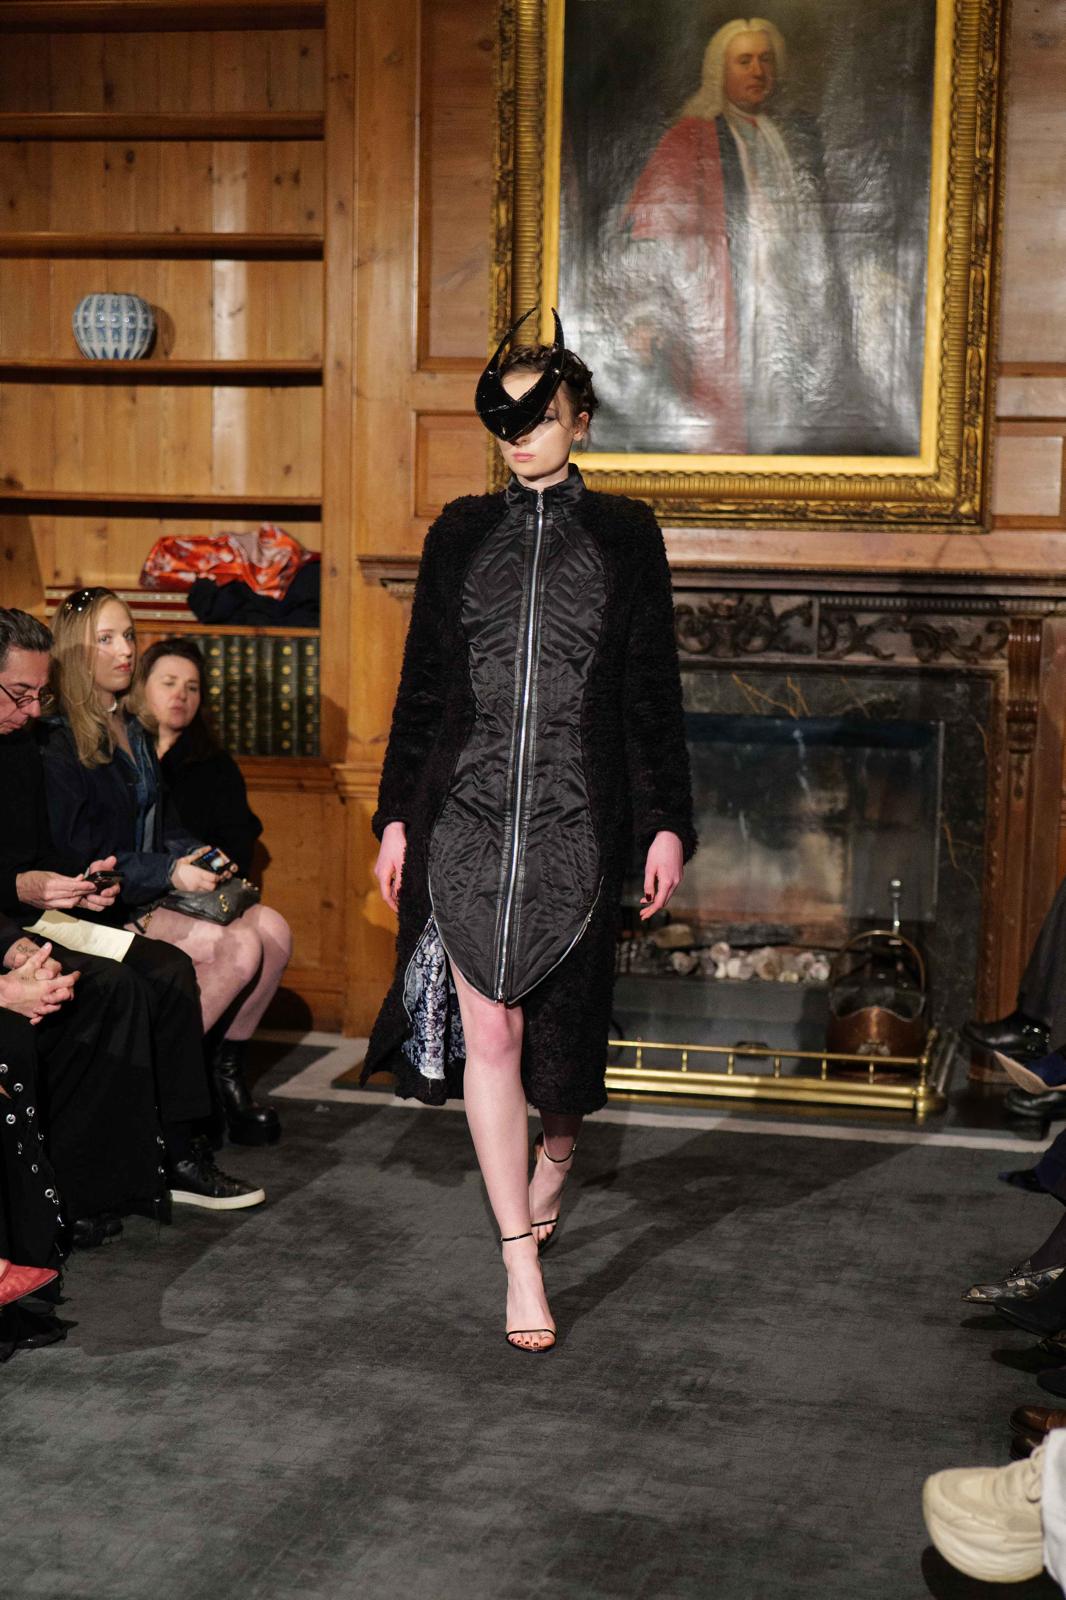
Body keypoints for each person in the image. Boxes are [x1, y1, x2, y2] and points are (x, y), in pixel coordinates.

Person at [362, 308, 696, 1351]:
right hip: (462, 817)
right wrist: (395, 817)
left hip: (575, 817)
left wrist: (666, 824)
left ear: (580, 421)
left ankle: (559, 1151)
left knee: (561, 1044)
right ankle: (517, 1260)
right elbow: (423, 691)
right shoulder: (459, 533)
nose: (518, 435)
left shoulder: (627, 535)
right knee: (493, 1034)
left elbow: (651, 693)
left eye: (538, 416)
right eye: (503, 418)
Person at [0, 605, 263, 1213]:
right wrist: (30, 896)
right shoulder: (54, 739)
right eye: (20, 694)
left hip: (48, 907)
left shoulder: (40, 740)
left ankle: (177, 1149)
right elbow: (40, 861)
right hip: (25, 915)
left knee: (171, 968)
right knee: (126, 982)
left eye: (39, 695)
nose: (32, 709)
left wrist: (82, 882)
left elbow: (54, 853)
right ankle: (101, 1172)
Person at [41, 590, 289, 1149]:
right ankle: (156, 1096)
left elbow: (162, 823)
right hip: (99, 905)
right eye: (106, 639)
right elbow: (82, 856)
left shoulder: (131, 725)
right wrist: (169, 872)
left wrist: (197, 857)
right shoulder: (60, 738)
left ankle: (211, 1081)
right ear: (75, 650)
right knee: (236, 947)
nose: (125, 650)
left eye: (129, 636)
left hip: (144, 888)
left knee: (272, 930)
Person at [623, 17, 860, 455]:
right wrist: (647, 313)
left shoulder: (790, 139)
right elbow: (654, 233)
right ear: (721, 71)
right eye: (744, 61)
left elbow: (817, 230)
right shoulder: (690, 138)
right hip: (725, 307)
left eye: (765, 60)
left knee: (787, 419)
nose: (757, 71)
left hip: (787, 301)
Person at [127, 636, 283, 1140]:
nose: (181, 695)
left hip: (201, 891)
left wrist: (214, 862)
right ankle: (174, 1084)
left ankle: (224, 1076)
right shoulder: (125, 749)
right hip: (147, 890)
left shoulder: (211, 763)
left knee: (275, 931)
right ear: (141, 687)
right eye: (169, 683)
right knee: (242, 945)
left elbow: (239, 837)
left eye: (192, 687)